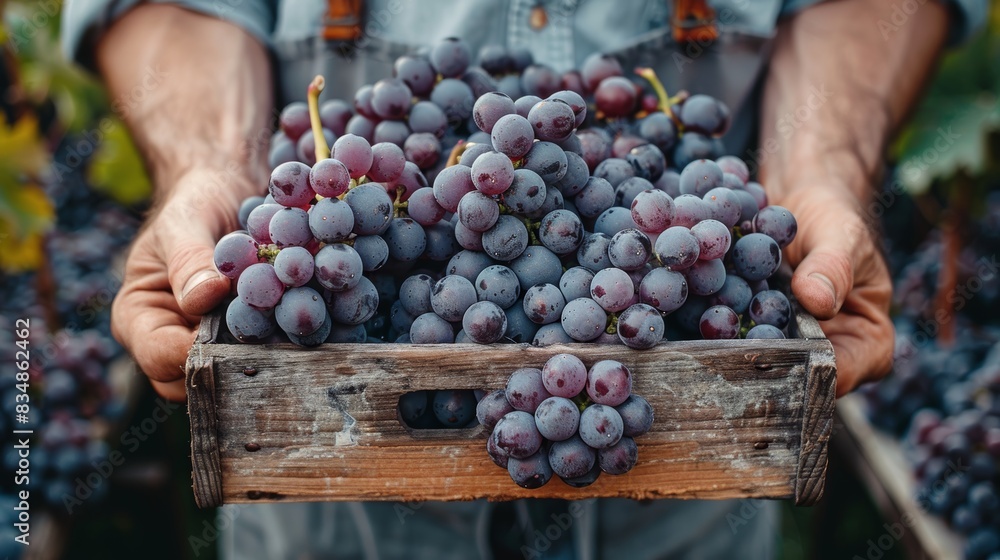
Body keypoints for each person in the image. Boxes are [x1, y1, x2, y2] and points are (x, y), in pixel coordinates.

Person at [61, 0, 986, 558]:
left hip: (684, 453)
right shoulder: (354, 232)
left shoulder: (640, 247)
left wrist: (819, 165)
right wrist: (207, 166)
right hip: (328, 486)